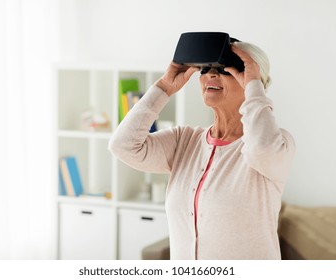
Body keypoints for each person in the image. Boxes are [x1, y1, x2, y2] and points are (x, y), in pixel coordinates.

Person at [108, 40, 296, 260]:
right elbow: (123, 146)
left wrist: (254, 87)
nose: (210, 75)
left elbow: (261, 148)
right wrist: (164, 88)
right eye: (205, 69)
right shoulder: (184, 140)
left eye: (225, 69)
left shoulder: (278, 143)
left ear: (253, 82)